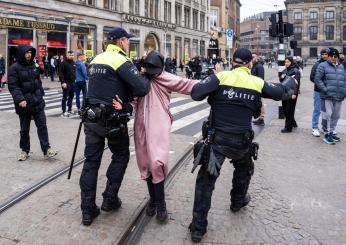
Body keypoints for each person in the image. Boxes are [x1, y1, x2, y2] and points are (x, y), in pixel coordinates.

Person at [188, 48, 298, 242]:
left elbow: (196, 93)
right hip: (241, 142)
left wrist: (214, 78)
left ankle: (198, 229)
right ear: (249, 64)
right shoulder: (256, 82)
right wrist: (293, 79)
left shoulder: (221, 77)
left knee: (205, 183)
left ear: (233, 61)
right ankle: (237, 202)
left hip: (217, 142)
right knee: (244, 169)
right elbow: (281, 92)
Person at [115, 51, 198, 223]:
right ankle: (153, 200)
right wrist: (124, 106)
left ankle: (161, 204)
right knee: (145, 163)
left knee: (157, 162)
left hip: (158, 125)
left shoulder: (166, 78)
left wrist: (215, 82)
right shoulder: (139, 79)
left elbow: (188, 84)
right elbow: (134, 100)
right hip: (141, 126)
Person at [79, 27, 151, 226]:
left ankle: (87, 210)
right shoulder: (120, 60)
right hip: (113, 120)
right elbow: (142, 88)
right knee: (120, 155)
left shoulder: (95, 60)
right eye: (127, 41)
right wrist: (144, 73)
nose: (128, 43)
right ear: (120, 41)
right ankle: (110, 199)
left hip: (91, 118)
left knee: (91, 162)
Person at [8, 45, 57, 161]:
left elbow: (40, 78)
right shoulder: (14, 68)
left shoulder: (33, 65)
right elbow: (13, 86)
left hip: (37, 102)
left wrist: (41, 93)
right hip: (24, 104)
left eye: (30, 52)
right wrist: (20, 99)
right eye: (27, 52)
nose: (29, 54)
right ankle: (25, 151)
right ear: (21, 53)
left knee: (42, 126)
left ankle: (47, 149)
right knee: (24, 129)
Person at [315, 48, 346, 144]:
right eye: (331, 56)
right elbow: (317, 79)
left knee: (336, 115)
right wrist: (325, 89)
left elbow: (344, 80)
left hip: (339, 96)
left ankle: (331, 131)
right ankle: (327, 134)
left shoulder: (341, 67)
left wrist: (344, 92)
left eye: (335, 56)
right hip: (327, 96)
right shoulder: (322, 66)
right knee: (327, 115)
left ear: (337, 57)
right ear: (328, 56)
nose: (333, 58)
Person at [310, 48, 329, 137]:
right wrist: (321, 84)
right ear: (321, 55)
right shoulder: (317, 64)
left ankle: (325, 128)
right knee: (317, 109)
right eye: (323, 54)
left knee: (327, 111)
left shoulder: (331, 64)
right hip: (318, 90)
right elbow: (312, 77)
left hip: (328, 91)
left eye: (326, 54)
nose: (324, 56)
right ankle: (314, 127)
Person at [280, 56, 300, 133]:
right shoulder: (284, 70)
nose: (286, 63)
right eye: (285, 62)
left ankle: (288, 128)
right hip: (285, 93)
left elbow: (297, 84)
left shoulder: (295, 71)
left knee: (289, 110)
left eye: (288, 62)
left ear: (291, 62)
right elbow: (281, 80)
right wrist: (281, 77)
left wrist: (295, 93)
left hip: (292, 93)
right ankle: (293, 123)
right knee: (285, 109)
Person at [60, 51, 76, 117]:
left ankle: (69, 109)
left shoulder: (73, 62)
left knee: (71, 97)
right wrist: (63, 82)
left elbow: (74, 71)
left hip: (72, 82)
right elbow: (61, 73)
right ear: (67, 55)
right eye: (70, 55)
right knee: (65, 97)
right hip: (66, 82)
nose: (71, 56)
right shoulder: (63, 63)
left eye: (72, 55)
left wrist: (75, 78)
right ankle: (64, 111)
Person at [251, 53, 265, 126]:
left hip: (258, 88)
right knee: (258, 103)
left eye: (253, 57)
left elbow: (261, 78)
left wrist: (258, 88)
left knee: (261, 103)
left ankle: (261, 119)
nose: (252, 58)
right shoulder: (253, 66)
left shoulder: (259, 66)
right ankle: (260, 118)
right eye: (251, 57)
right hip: (254, 88)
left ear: (257, 57)